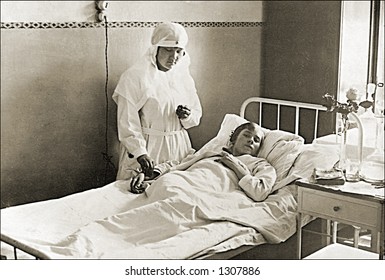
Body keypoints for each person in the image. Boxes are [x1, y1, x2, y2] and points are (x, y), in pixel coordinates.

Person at [112, 22, 202, 180]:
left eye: (179, 51)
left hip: (179, 147)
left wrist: (186, 116)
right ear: (156, 49)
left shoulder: (184, 78)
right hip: (148, 150)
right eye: (168, 50)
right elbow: (127, 122)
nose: (173, 57)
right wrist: (140, 153)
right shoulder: (135, 77)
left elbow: (195, 117)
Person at [130, 122, 277, 202]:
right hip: (179, 182)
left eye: (256, 140)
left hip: (203, 195)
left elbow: (259, 192)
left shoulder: (260, 165)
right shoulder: (212, 153)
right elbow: (179, 164)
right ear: (233, 140)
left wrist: (235, 166)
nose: (251, 140)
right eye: (247, 135)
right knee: (166, 187)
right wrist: (150, 175)